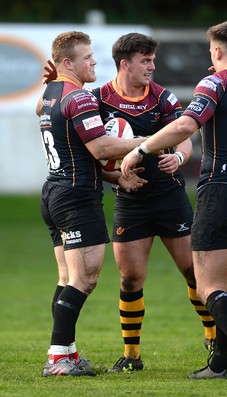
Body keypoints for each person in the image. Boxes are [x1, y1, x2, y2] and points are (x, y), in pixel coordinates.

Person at [121, 21, 227, 383]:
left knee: (207, 285)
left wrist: (141, 148)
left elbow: (186, 126)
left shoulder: (215, 83)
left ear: (215, 52)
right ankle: (219, 365)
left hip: (221, 192)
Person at [94, 32, 217, 372]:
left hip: (169, 195)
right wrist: (117, 177)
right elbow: (94, 156)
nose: (152, 66)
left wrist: (178, 158)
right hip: (130, 201)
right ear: (125, 64)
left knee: (194, 271)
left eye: (153, 60)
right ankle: (131, 357)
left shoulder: (162, 98)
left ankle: (212, 335)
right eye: (145, 61)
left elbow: (184, 138)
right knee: (130, 279)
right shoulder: (98, 99)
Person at [37, 30, 146, 377]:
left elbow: (75, 150)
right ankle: (58, 359)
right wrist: (149, 141)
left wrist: (115, 178)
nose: (94, 61)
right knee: (85, 280)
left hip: (54, 192)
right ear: (67, 62)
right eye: (87, 57)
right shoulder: (79, 98)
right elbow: (100, 149)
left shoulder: (49, 94)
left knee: (68, 277)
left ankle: (67, 353)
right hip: (76, 198)